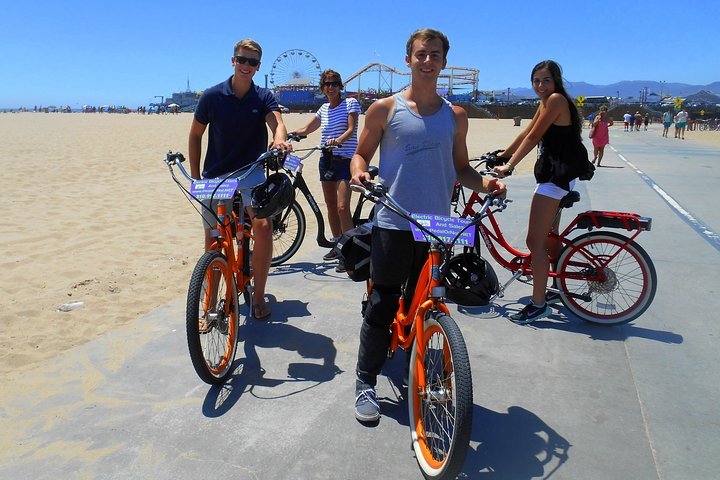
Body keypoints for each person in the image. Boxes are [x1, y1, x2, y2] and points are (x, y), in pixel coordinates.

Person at [350, 28, 506, 422]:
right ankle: (365, 382)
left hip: (435, 225)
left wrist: (486, 183)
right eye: (421, 54)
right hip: (393, 219)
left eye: (435, 55)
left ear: (443, 62)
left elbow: (461, 169)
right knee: (384, 301)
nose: (427, 60)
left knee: (427, 300)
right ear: (408, 60)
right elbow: (360, 155)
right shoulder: (384, 109)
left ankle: (420, 348)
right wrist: (360, 175)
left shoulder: (455, 116)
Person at [188, 38, 291, 320]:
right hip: (216, 175)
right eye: (242, 60)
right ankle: (209, 300)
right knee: (213, 239)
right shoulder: (212, 96)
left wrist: (279, 141)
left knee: (262, 226)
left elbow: (277, 124)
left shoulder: (263, 97)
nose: (246, 66)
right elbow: (195, 135)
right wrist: (196, 179)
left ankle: (257, 297)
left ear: (258, 67)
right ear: (233, 61)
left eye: (252, 62)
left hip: (251, 172)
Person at [493, 60, 593, 325]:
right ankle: (553, 289)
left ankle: (538, 305)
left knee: (533, 242)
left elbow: (534, 137)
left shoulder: (556, 100)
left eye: (545, 80)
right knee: (549, 239)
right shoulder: (548, 101)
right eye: (536, 80)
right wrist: (503, 153)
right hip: (559, 175)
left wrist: (510, 165)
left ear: (556, 80)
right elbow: (526, 130)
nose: (540, 85)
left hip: (555, 178)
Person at [293, 69, 361, 270]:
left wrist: (337, 141)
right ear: (322, 88)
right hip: (327, 160)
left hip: (345, 160)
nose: (330, 87)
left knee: (342, 207)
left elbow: (351, 129)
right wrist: (289, 135)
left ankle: (349, 252)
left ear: (340, 86)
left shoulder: (350, 103)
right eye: (327, 84)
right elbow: (307, 128)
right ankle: (338, 245)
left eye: (334, 84)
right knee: (331, 206)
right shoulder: (323, 109)